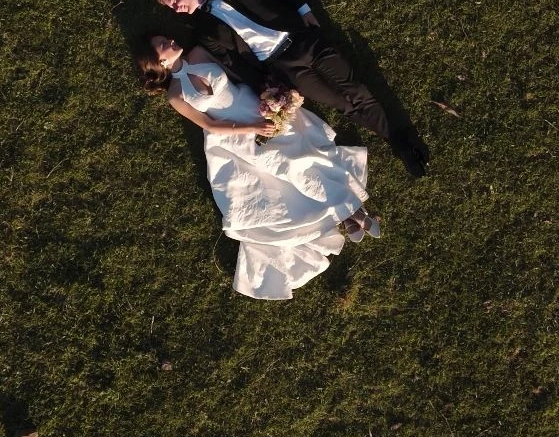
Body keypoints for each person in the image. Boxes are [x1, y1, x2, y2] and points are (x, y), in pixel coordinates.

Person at [138, 33, 380, 300]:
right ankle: (350, 212)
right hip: (238, 132)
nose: (171, 41)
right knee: (289, 167)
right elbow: (209, 125)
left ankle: (349, 212)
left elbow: (235, 68)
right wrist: (251, 128)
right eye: (163, 44)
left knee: (308, 155)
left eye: (167, 38)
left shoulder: (197, 53)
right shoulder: (175, 95)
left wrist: (271, 95)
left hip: (256, 105)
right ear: (158, 61)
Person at [155, 0, 430, 177]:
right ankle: (402, 141)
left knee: (356, 89)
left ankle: (404, 144)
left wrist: (304, 9)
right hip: (283, 66)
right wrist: (267, 88)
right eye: (171, 9)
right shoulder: (204, 30)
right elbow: (234, 64)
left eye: (173, 1)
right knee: (344, 104)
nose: (176, 9)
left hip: (302, 39)